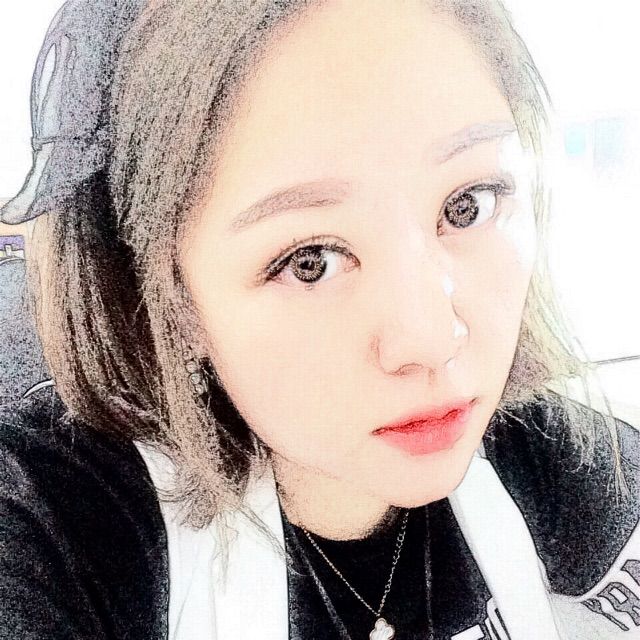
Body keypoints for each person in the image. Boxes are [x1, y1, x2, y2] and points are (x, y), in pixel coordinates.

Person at [0, 1, 638, 638]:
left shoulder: (540, 454)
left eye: (467, 205)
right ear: (169, 300)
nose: (434, 339)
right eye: (310, 262)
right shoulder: (59, 527)